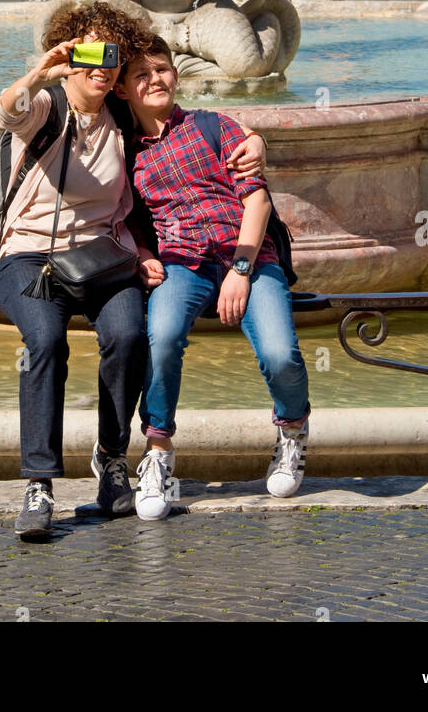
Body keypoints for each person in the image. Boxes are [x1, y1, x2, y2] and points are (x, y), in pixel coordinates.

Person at [0, 3, 266, 540]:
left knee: (128, 334)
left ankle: (112, 461)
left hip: (103, 256)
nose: (101, 66)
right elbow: (7, 110)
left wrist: (255, 140)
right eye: (88, 52)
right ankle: (39, 484)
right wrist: (42, 71)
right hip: (29, 255)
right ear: (69, 53)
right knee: (45, 342)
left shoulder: (121, 120)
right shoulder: (46, 106)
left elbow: (194, 123)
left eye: (111, 54)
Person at [115, 35, 310, 520]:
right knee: (160, 337)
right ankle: (158, 453)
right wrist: (141, 253)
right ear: (123, 91)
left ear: (176, 75)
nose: (155, 79)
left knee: (280, 354)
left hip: (248, 258)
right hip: (182, 264)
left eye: (161, 69)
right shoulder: (126, 154)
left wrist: (241, 271)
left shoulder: (213, 125)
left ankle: (292, 432)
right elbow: (129, 221)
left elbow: (257, 200)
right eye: (141, 74)